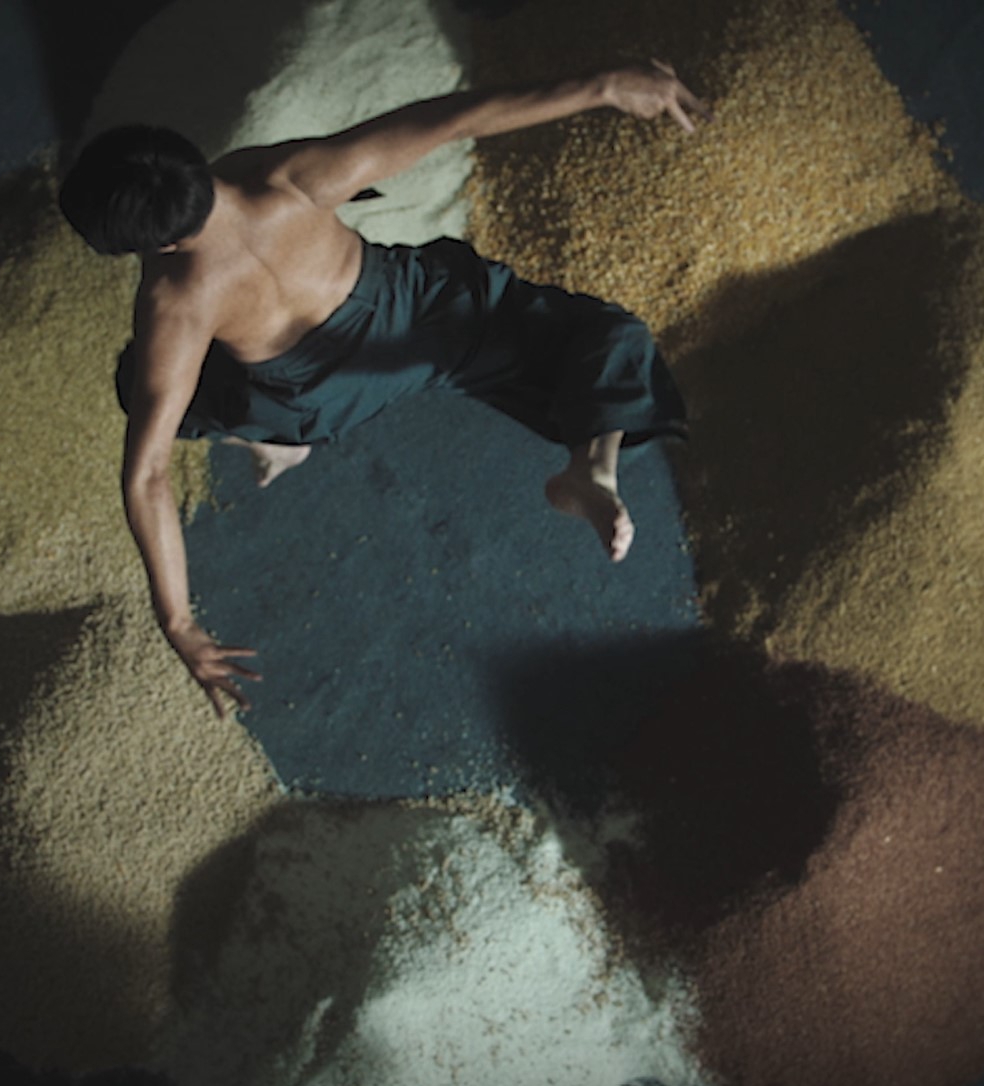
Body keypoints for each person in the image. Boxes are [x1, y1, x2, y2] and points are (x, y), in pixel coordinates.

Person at [59, 60, 711, 717]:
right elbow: (453, 119)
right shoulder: (286, 177)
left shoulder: (177, 299)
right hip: (424, 322)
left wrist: (179, 622)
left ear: (164, 243)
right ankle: (593, 463)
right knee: (603, 331)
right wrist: (602, 86)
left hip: (319, 403)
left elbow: (148, 474)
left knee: (143, 386)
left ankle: (275, 443)